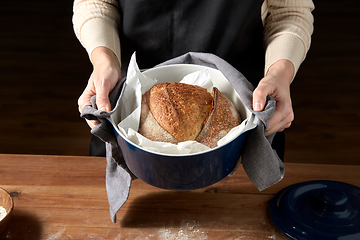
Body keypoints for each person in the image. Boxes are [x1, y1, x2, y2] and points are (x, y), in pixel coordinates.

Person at [72, 0, 314, 157]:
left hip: (241, 115)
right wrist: (105, 60)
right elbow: (95, 3)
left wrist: (279, 73)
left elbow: (289, 11)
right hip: (128, 117)